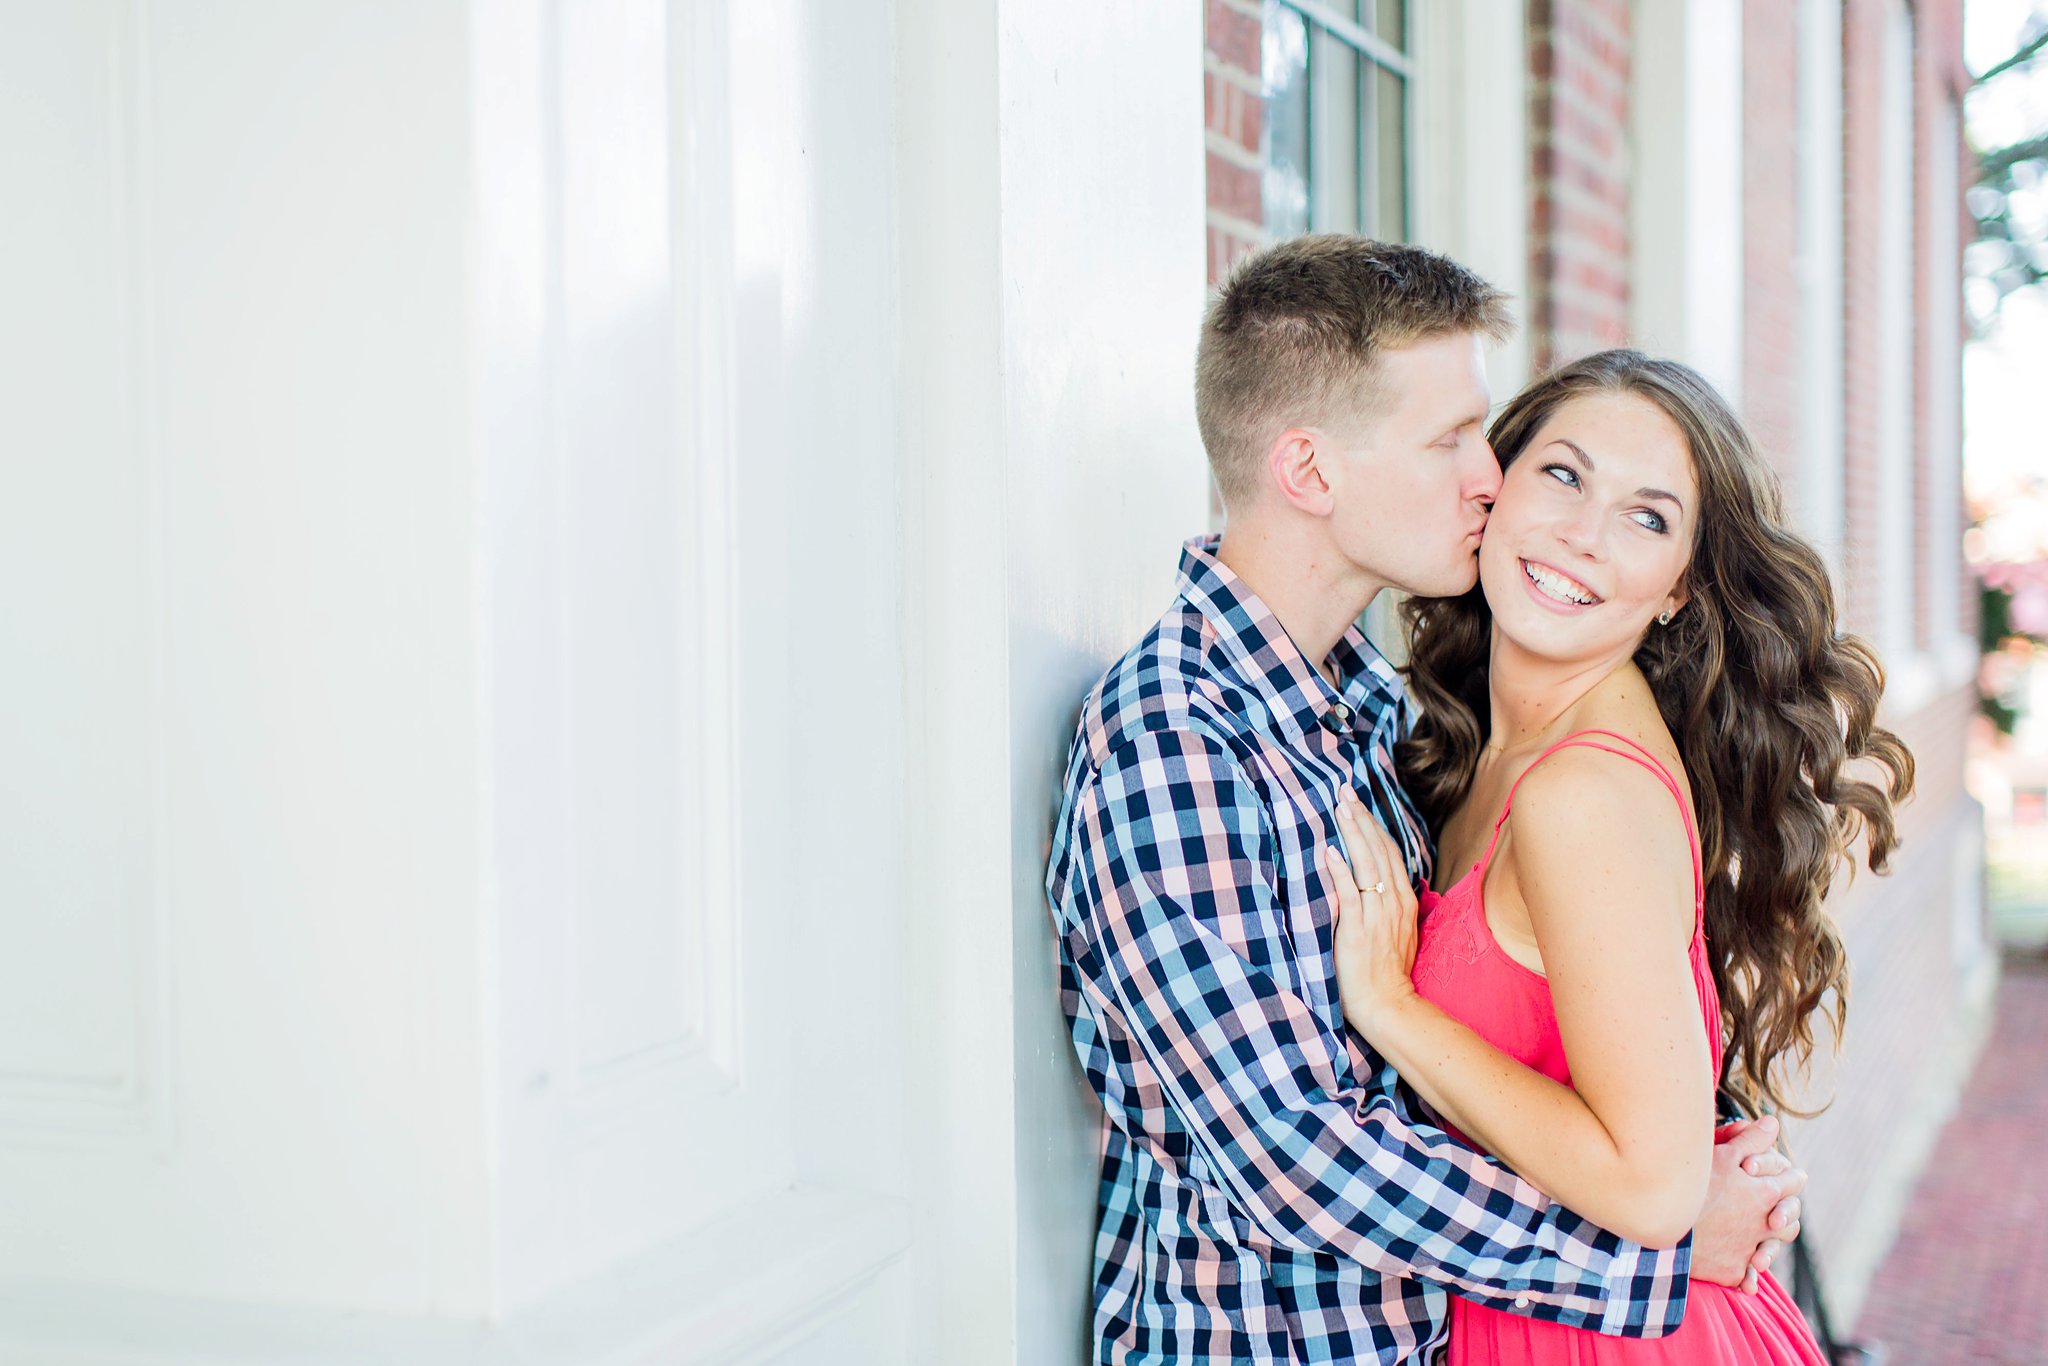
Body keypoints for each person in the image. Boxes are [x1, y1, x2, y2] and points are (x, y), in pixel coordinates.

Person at [1045, 237, 1803, 1366]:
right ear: (1308, 472)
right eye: (1453, 439)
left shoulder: (1367, 708)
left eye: (1484, 436)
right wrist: (1659, 1247)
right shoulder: (1174, 742)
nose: (1486, 477)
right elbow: (1292, 1154)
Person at [1321, 348, 1913, 1362]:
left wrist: (1390, 1008)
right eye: (1561, 473)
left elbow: (1650, 1185)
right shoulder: (1486, 747)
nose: (1581, 537)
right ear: (1492, 488)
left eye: (1646, 518)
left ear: (1679, 587)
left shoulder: (1579, 794)